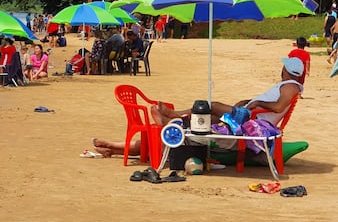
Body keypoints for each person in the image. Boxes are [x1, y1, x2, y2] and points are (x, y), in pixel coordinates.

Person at [92, 57, 304, 157]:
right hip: (250, 114)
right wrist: (248, 101)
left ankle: (174, 118)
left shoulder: (290, 86)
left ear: (288, 71)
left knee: (208, 107)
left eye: (284, 66)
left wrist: (255, 103)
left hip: (253, 121)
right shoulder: (288, 85)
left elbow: (277, 107)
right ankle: (113, 147)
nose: (281, 68)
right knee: (204, 117)